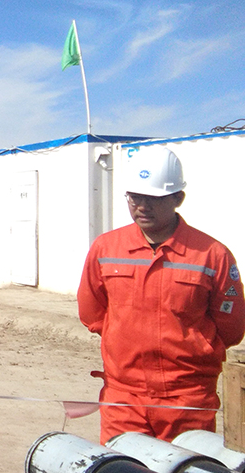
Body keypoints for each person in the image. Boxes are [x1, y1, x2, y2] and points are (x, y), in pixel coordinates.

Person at [78, 146, 242, 443]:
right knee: (123, 471)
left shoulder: (212, 255)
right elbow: (92, 313)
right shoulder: (106, 248)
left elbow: (231, 328)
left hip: (187, 400)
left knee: (185, 472)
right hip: (124, 399)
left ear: (178, 198)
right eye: (135, 197)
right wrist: (127, 340)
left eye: (153, 198)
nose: (142, 206)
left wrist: (191, 351)